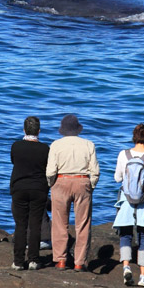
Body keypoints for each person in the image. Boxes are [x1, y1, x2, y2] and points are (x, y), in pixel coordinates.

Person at [46, 114, 100, 272]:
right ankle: (79, 262)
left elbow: (50, 171)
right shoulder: (89, 144)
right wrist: (91, 186)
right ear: (78, 129)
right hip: (82, 181)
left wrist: (52, 185)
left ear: (63, 130)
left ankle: (60, 260)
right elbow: (95, 171)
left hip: (61, 181)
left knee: (59, 223)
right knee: (82, 224)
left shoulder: (56, 145)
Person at [113, 123, 144, 288]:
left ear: (134, 136)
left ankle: (126, 266)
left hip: (126, 200)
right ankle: (143, 276)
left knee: (125, 234)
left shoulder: (123, 154)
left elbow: (117, 179)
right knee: (143, 236)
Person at [10, 116, 50, 270]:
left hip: (19, 187)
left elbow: (14, 161)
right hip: (39, 188)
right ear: (39, 131)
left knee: (20, 224)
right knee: (35, 224)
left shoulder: (16, 146)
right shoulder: (45, 149)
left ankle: (18, 261)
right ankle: (33, 259)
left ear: (24, 130)